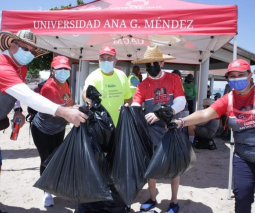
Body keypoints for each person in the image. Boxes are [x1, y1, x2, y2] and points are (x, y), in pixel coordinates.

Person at [173, 59, 255, 213]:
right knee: (242, 196)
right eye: (232, 76)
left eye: (241, 75)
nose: (237, 79)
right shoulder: (228, 99)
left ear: (250, 75)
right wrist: (180, 122)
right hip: (243, 157)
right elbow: (205, 114)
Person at [131, 46, 186, 213]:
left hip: (171, 129)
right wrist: (129, 110)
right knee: (151, 167)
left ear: (162, 63)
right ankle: (153, 198)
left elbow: (181, 102)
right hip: (151, 132)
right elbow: (136, 103)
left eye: (154, 63)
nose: (151, 67)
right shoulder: (142, 85)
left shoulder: (174, 78)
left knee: (174, 167)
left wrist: (163, 113)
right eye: (148, 64)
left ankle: (174, 201)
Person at [0, 29, 87, 131]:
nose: (29, 53)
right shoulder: (2, 65)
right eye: (25, 48)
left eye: (32, 51)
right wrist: (64, 112)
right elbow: (27, 96)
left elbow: (16, 92)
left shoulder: (21, 67)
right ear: (12, 45)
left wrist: (17, 110)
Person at [31, 56, 73, 207]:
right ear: (52, 70)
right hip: (43, 130)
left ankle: (54, 185)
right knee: (47, 160)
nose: (63, 72)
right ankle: (46, 191)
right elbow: (58, 111)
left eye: (66, 69)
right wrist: (74, 112)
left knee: (56, 158)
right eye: (59, 69)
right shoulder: (49, 87)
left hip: (58, 128)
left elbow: (68, 102)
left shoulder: (65, 83)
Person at [82, 45, 132, 126]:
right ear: (99, 60)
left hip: (119, 124)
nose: (106, 61)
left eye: (109, 58)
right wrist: (87, 99)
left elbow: (128, 98)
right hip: (100, 126)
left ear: (115, 61)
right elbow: (85, 92)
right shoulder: (93, 76)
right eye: (102, 59)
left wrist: (130, 108)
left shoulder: (122, 76)